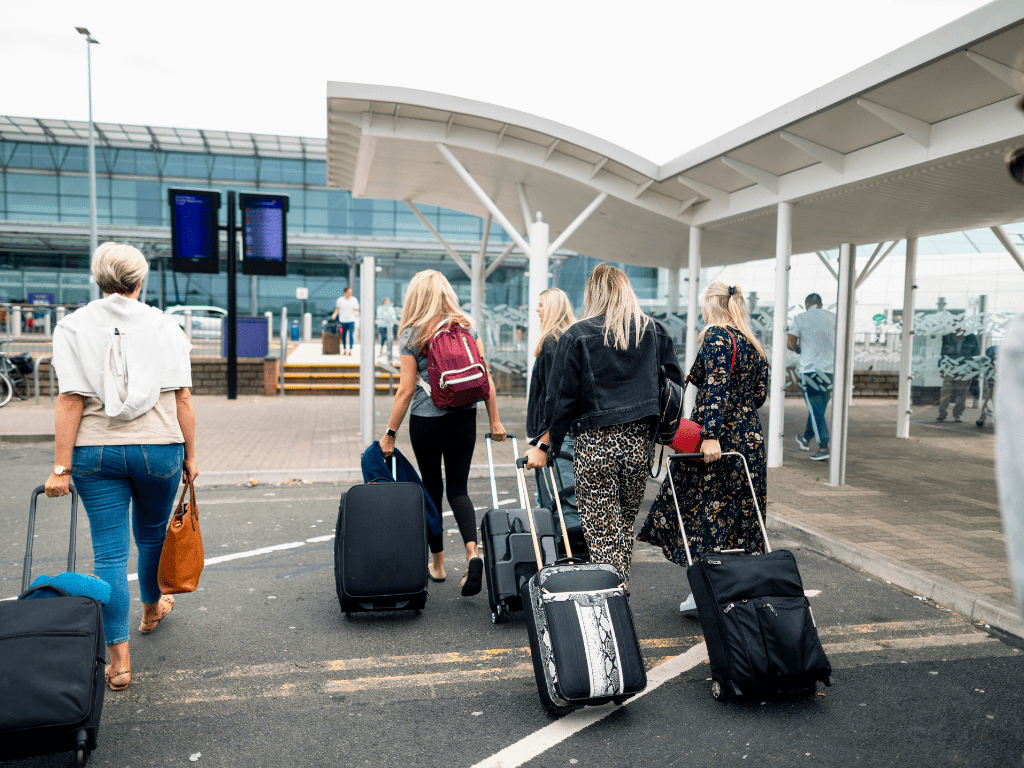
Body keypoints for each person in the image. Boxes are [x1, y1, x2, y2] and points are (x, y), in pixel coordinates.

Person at [44, 242, 197, 692]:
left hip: (96, 449)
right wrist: (191, 457)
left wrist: (60, 467)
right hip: (158, 447)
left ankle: (120, 661)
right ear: (140, 280)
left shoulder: (71, 326)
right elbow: (182, 398)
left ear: (98, 279)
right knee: (150, 535)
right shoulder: (166, 325)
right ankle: (151, 608)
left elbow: (69, 398)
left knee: (108, 554)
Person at [526, 263, 681, 586]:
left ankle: (613, 602)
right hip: (639, 443)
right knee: (622, 528)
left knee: (602, 534)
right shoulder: (653, 330)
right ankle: (618, 593)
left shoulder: (578, 335)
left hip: (596, 445)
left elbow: (560, 399)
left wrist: (549, 444)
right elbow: (673, 384)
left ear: (592, 293)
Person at [639, 281, 769, 616]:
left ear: (710, 305)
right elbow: (758, 395)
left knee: (705, 509)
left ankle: (708, 591)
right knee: (742, 514)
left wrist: (710, 433)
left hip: (718, 440)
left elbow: (715, 387)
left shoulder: (716, 336)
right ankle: (739, 588)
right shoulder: (751, 343)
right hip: (749, 437)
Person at [379, 270, 507, 596]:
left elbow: (406, 390)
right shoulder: (467, 325)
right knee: (459, 489)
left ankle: (437, 563)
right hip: (465, 417)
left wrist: (390, 433)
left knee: (432, 490)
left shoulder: (411, 333)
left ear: (416, 296)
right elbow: (485, 377)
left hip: (427, 419)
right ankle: (472, 553)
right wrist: (495, 421)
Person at [526, 288, 577, 508]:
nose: (537, 309)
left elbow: (553, 395)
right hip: (569, 432)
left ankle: (556, 541)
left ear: (554, 308)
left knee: (551, 495)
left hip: (553, 435)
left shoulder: (551, 342)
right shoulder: (570, 338)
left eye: (542, 304)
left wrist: (543, 441)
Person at [787, 293, 836, 461]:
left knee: (816, 410)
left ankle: (824, 446)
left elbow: (790, 342)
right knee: (819, 409)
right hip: (829, 371)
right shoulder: (834, 318)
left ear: (807, 304)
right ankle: (806, 438)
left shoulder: (800, 318)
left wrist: (798, 349)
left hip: (810, 371)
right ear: (821, 304)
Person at [936, 318, 980, 422]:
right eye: (955, 324)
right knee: (945, 392)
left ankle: (958, 415)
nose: (958, 326)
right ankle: (942, 414)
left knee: (962, 394)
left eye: (960, 324)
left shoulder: (971, 337)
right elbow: (941, 354)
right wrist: (941, 368)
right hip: (949, 368)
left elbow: (976, 353)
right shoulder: (947, 337)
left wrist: (974, 369)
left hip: (964, 368)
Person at [331, 285, 359, 355]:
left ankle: (350, 349)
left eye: (351, 292)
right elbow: (338, 308)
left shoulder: (354, 300)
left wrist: (356, 313)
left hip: (351, 320)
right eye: (349, 292)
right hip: (342, 321)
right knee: (343, 335)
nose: (350, 293)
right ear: (345, 292)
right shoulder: (340, 300)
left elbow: (357, 308)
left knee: (351, 335)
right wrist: (334, 314)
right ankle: (344, 349)